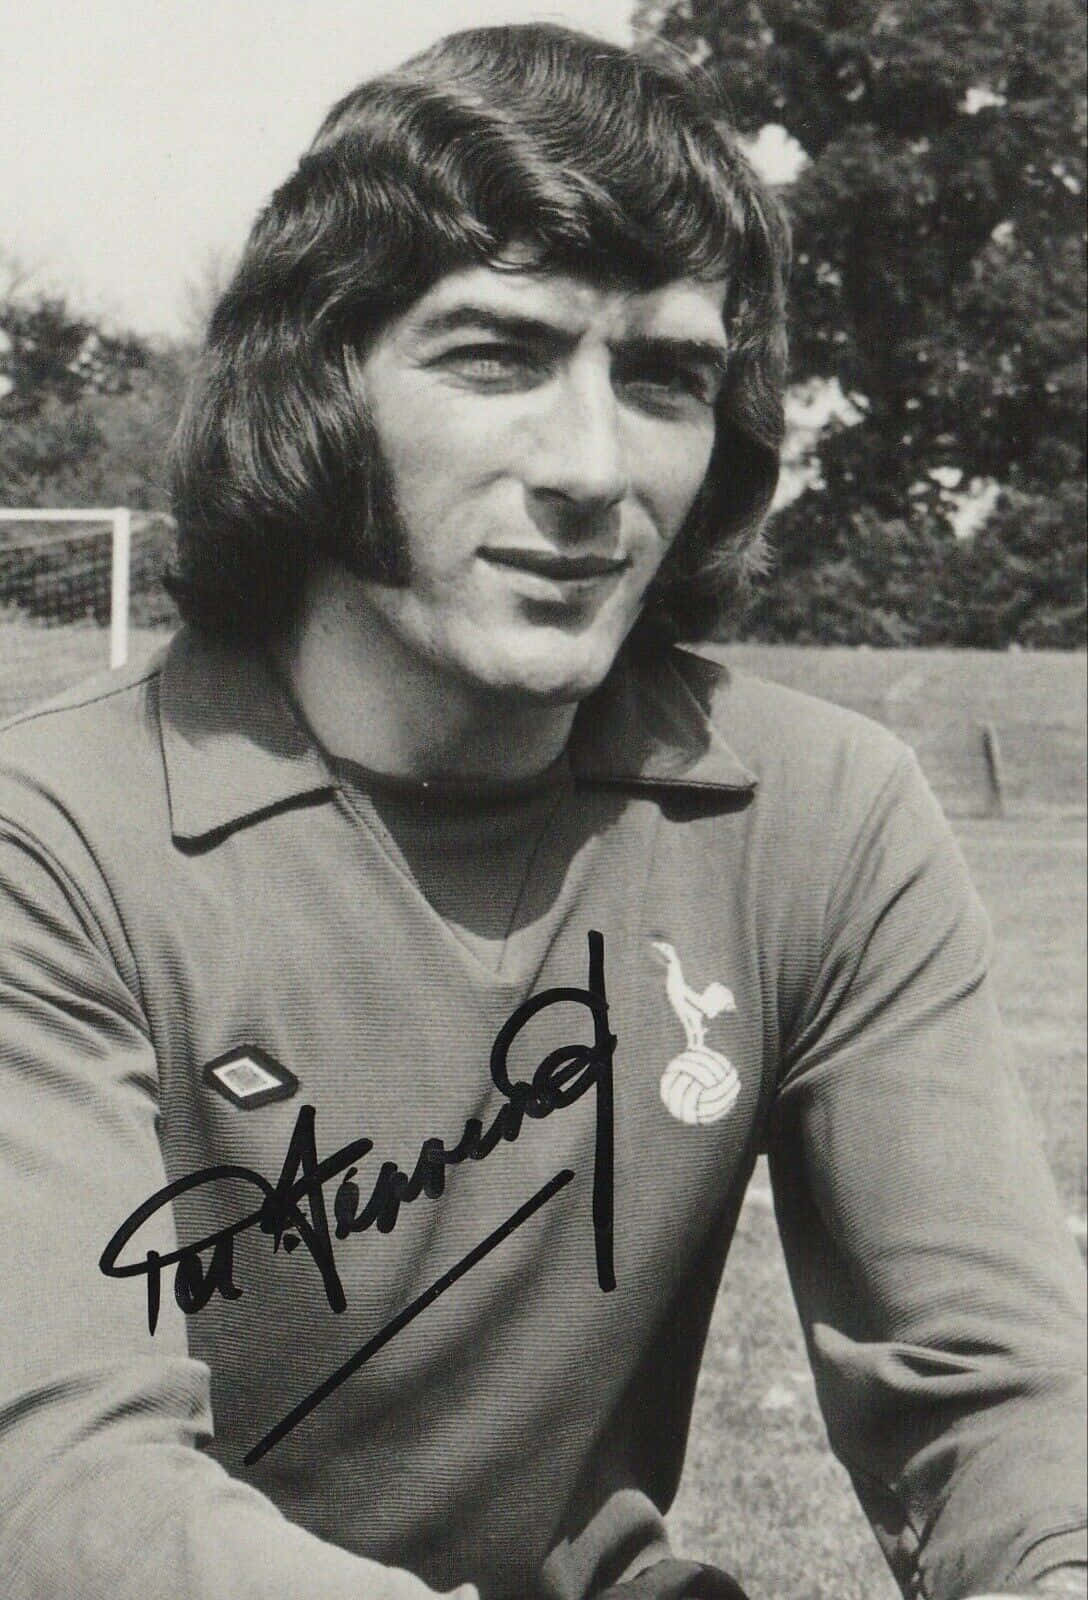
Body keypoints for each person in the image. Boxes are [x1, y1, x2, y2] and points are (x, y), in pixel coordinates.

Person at [0, 23, 1083, 1600]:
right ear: (318, 388)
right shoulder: (54, 835)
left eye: (663, 379)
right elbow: (63, 1488)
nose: (593, 467)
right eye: (496, 354)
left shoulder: (822, 815)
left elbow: (1004, 1398)